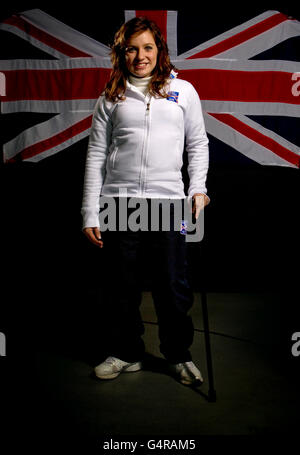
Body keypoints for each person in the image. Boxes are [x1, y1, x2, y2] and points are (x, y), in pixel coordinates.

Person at [81, 16, 210, 386]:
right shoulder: (111, 96)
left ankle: (178, 355)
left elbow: (197, 144)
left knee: (173, 285)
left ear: (159, 51)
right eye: (132, 48)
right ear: (122, 54)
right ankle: (126, 352)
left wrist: (197, 188)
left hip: (169, 202)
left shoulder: (183, 91)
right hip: (118, 202)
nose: (141, 56)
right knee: (121, 286)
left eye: (148, 47)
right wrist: (90, 211)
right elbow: (95, 155)